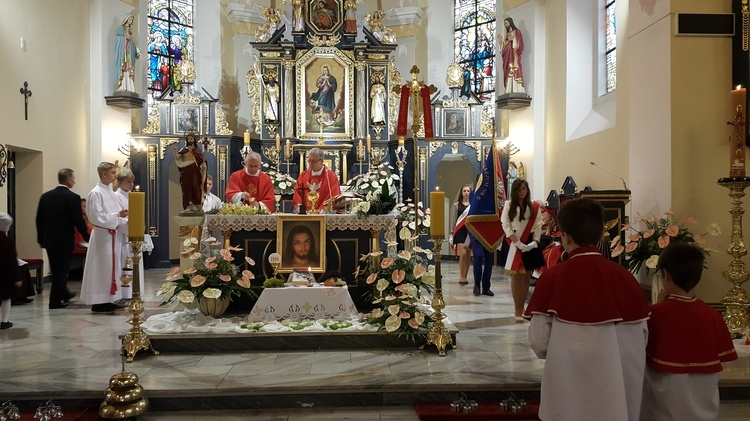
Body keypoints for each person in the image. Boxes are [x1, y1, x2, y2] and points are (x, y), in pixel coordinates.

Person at [524, 198, 650, 421]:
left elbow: (540, 341)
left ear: (565, 237)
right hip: (615, 397)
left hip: (567, 395)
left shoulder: (552, 278)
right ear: (602, 235)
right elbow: (641, 338)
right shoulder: (626, 279)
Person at [640, 243, 738, 421]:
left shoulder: (654, 316)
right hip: (704, 413)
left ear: (665, 275)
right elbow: (724, 359)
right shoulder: (713, 316)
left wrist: (657, 307)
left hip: (661, 413)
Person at [36, 168, 91, 309]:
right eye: (73, 178)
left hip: (49, 240)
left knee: (56, 269)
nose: (75, 181)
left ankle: (65, 294)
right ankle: (54, 302)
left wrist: (41, 239)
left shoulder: (45, 196)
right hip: (65, 240)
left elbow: (39, 220)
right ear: (68, 180)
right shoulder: (73, 198)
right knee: (62, 271)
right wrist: (88, 237)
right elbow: (78, 221)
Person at [80, 162, 129, 314]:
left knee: (111, 269)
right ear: (104, 174)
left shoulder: (109, 192)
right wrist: (117, 216)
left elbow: (115, 214)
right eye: (113, 173)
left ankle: (110, 298)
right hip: (103, 237)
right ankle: (98, 301)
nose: (115, 176)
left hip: (112, 236)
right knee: (101, 268)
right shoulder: (96, 193)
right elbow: (95, 217)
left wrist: (126, 222)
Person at [501, 178, 543, 320]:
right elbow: (505, 224)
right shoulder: (508, 205)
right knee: (516, 275)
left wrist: (535, 242)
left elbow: (538, 225)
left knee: (526, 275)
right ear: (515, 190)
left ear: (527, 190)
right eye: (519, 189)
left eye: (524, 189)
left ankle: (523, 308)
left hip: (530, 242)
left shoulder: (534, 205)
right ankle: (517, 308)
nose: (521, 192)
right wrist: (516, 241)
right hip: (515, 242)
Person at [112, 168, 144, 304]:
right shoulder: (116, 197)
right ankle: (125, 293)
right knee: (125, 263)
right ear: (119, 182)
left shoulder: (132, 195)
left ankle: (135, 291)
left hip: (134, 233)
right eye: (127, 182)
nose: (131, 184)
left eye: (132, 182)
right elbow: (118, 217)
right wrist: (130, 225)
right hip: (124, 236)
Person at [292, 148, 341, 212]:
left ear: (321, 161)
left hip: (323, 215)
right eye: (309, 160)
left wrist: (321, 210)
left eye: (314, 161)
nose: (311, 163)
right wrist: (299, 208)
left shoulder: (331, 177)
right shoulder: (303, 176)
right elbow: (297, 193)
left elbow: (333, 196)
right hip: (305, 215)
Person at [173, 134, 207, 212]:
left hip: (194, 171)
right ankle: (188, 205)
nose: (190, 140)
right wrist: (175, 152)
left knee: (196, 186)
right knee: (186, 189)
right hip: (185, 171)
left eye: (191, 139)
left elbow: (202, 161)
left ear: (194, 140)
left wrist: (203, 165)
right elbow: (177, 158)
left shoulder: (197, 151)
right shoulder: (184, 149)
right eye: (188, 139)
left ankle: (197, 205)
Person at [0, 213, 21, 329]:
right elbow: (12, 260)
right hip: (4, 275)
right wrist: (17, 277)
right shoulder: (7, 241)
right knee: (6, 298)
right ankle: (5, 320)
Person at [450, 185, 472, 285]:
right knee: (463, 254)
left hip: (470, 231)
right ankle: (461, 275)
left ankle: (465, 276)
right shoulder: (456, 205)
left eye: (468, 191)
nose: (466, 193)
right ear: (461, 193)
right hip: (460, 231)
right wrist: (451, 230)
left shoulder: (473, 205)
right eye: (464, 191)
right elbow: (454, 218)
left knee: (468, 255)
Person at [114, 15, 141, 93]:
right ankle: (121, 86)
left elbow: (133, 42)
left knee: (129, 69)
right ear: (126, 19)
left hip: (129, 54)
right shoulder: (120, 28)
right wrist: (125, 38)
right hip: (123, 53)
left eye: (132, 20)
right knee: (123, 68)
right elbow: (118, 39)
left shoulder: (130, 30)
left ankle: (129, 87)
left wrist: (136, 51)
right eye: (129, 19)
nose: (131, 21)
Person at [500, 17, 525, 95]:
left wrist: (513, 40)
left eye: (506, 23)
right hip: (507, 56)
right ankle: (508, 88)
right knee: (507, 69)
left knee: (514, 69)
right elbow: (503, 49)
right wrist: (501, 42)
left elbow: (520, 44)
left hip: (514, 55)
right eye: (505, 24)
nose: (506, 25)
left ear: (510, 23)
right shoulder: (506, 35)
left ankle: (516, 88)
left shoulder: (517, 32)